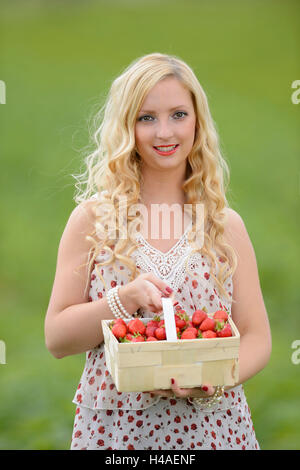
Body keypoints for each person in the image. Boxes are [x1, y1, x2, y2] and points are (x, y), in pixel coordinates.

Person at [44, 52, 272, 450]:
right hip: (119, 434)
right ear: (126, 126)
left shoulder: (224, 226)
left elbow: (257, 338)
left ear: (198, 121)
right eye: (146, 117)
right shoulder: (93, 221)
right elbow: (57, 338)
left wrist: (212, 379)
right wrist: (122, 300)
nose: (164, 132)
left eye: (178, 114)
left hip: (212, 431)